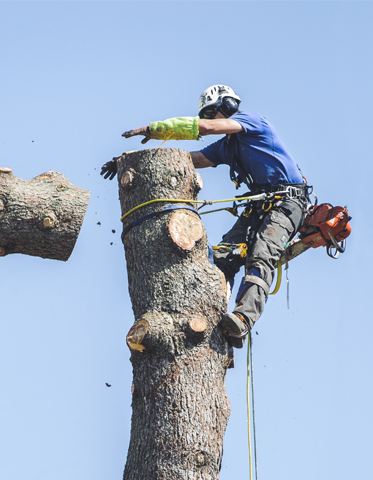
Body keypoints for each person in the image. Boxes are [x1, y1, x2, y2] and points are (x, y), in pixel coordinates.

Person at [101, 85, 308, 347]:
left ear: (232, 106)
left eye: (216, 111)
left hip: (288, 202)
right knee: (220, 257)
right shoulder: (227, 147)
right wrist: (130, 160)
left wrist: (154, 130)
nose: (213, 118)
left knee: (261, 254)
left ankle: (242, 320)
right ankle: (210, 317)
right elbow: (190, 159)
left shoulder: (253, 122)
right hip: (260, 205)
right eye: (208, 113)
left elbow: (206, 129)